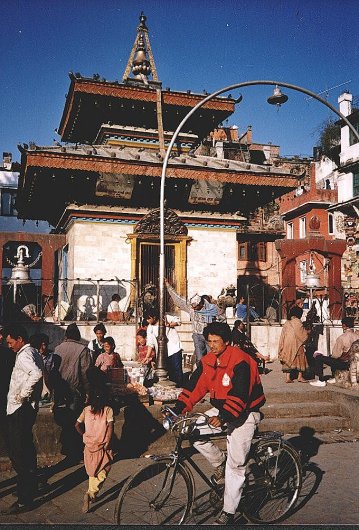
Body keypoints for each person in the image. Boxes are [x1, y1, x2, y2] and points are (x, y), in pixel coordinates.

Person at [168, 321, 265, 525]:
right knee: (191, 431)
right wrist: (177, 409)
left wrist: (223, 417)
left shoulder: (241, 361)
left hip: (245, 413)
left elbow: (240, 395)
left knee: (236, 465)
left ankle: (228, 512)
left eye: (216, 342)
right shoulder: (208, 360)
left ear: (227, 342)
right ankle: (219, 463)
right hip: (222, 410)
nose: (211, 345)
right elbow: (194, 387)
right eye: (209, 341)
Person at [1, 324, 43, 514]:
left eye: (10, 342)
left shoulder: (25, 355)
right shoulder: (32, 351)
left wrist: (23, 394)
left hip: (20, 408)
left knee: (19, 453)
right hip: (24, 408)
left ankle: (25, 498)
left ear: (19, 339)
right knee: (26, 449)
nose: (9, 346)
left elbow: (36, 373)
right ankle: (29, 488)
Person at [53, 322, 92, 462]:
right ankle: (75, 452)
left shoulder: (58, 348)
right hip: (75, 391)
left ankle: (68, 450)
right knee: (76, 421)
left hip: (60, 391)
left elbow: (53, 371)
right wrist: (88, 392)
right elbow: (85, 373)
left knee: (66, 421)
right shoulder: (83, 349)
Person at [75, 374, 114, 513]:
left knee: (92, 472)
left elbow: (77, 425)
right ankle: (90, 494)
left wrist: (85, 435)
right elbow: (110, 428)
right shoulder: (108, 410)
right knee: (105, 469)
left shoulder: (86, 410)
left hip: (89, 446)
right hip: (102, 445)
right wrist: (108, 442)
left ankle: (93, 494)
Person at [165, 279, 218, 363]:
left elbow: (220, 319)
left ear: (200, 304)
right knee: (200, 358)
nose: (193, 309)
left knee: (212, 357)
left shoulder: (211, 308)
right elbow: (177, 299)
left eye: (195, 307)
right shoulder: (191, 307)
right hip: (197, 335)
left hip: (210, 336)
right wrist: (168, 286)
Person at [310, 316, 358, 387]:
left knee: (319, 357)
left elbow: (335, 355)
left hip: (346, 364)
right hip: (355, 363)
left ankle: (321, 380)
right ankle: (335, 377)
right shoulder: (357, 336)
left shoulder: (342, 338)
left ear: (344, 326)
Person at [146, 310, 184, 387]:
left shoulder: (165, 318)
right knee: (168, 372)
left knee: (177, 371)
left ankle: (179, 389)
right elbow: (150, 343)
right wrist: (147, 356)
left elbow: (178, 321)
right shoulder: (150, 328)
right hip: (162, 353)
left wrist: (169, 325)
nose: (148, 320)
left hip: (174, 349)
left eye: (149, 318)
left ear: (154, 317)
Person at [277, 305, 309, 383]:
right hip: (296, 344)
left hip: (287, 343)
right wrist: (307, 333)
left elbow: (282, 335)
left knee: (288, 358)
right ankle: (300, 377)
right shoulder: (298, 322)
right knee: (300, 359)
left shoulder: (287, 323)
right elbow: (302, 335)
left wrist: (281, 346)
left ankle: (288, 378)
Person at [30, 333, 54, 400]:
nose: (43, 348)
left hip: (47, 387)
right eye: (41, 345)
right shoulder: (32, 355)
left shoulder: (51, 356)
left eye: (45, 345)